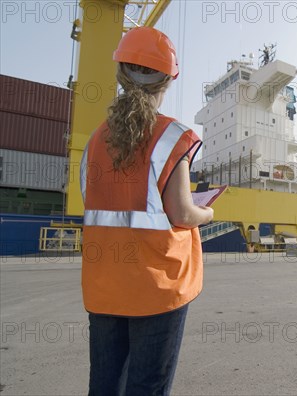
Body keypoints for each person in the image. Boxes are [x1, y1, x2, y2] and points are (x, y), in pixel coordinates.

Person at [79, 27, 213, 395]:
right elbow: (183, 213)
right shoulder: (171, 136)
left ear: (120, 72)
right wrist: (208, 214)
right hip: (157, 290)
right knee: (147, 387)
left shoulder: (95, 141)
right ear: (169, 79)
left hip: (104, 285)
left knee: (104, 386)